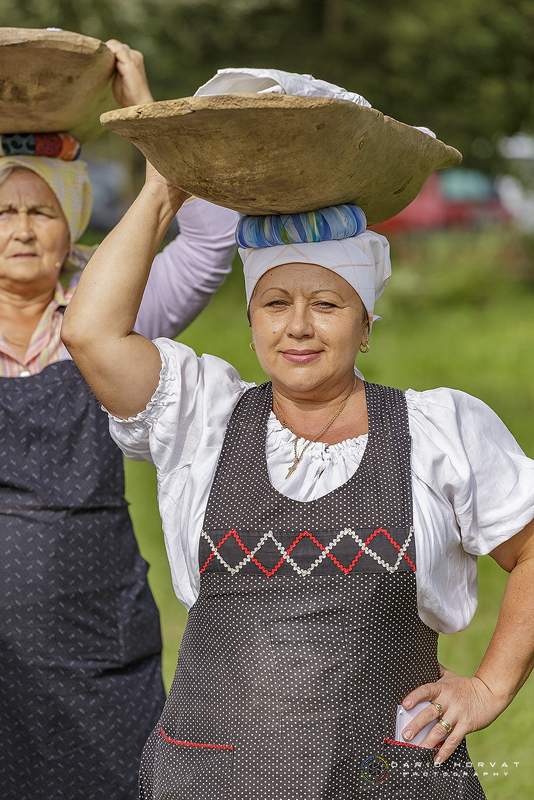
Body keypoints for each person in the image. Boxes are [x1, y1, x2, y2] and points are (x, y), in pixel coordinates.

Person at [63, 147, 534, 799]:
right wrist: (163, 191)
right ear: (252, 320)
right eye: (275, 303)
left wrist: (489, 687)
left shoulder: (437, 432)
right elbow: (89, 334)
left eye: (328, 304)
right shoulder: (202, 418)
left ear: (366, 323)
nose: (298, 327)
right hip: (211, 779)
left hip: (381, 781)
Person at [0, 41, 238, 800]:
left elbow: (209, 240)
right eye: (4, 210)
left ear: (73, 216)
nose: (23, 229)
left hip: (96, 624)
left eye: (42, 210)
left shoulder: (112, 310)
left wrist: (146, 114)